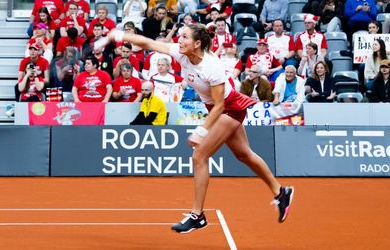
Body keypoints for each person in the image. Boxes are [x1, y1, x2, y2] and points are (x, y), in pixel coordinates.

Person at [105, 25, 294, 232]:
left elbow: (220, 105)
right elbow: (149, 43)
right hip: (216, 108)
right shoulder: (180, 52)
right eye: (180, 36)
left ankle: (197, 216)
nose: (179, 39)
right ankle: (281, 192)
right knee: (244, 154)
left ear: (197, 43)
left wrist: (201, 131)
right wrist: (120, 35)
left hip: (229, 108)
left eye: (185, 37)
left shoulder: (211, 67)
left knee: (199, 156)